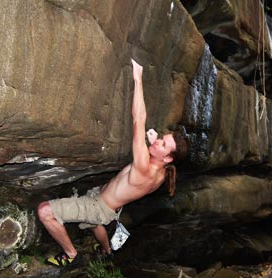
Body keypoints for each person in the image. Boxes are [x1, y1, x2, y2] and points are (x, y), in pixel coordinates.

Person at [37, 59, 188, 267]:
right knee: (95, 222)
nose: (158, 139)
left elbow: (139, 120)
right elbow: (152, 161)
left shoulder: (145, 165)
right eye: (161, 138)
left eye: (163, 143)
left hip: (98, 206)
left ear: (168, 158)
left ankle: (70, 254)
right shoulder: (162, 171)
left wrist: (138, 77)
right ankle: (107, 250)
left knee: (45, 211)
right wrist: (154, 145)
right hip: (110, 207)